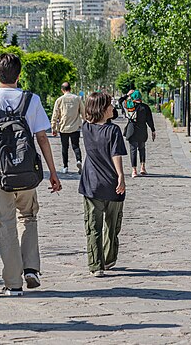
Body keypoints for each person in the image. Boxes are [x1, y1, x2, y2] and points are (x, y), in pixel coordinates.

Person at [0, 53, 62, 296]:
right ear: (19, 74)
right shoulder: (31, 100)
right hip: (27, 173)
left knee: (6, 224)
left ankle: (13, 282)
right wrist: (53, 173)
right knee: (29, 217)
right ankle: (31, 269)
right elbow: (42, 138)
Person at [78, 92, 127, 277]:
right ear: (102, 109)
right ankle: (109, 258)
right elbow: (116, 154)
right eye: (110, 105)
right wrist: (121, 175)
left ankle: (96, 265)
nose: (113, 108)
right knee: (112, 225)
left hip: (91, 184)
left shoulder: (86, 128)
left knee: (93, 226)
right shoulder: (113, 130)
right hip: (112, 184)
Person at [119, 89, 156, 177]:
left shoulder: (128, 105)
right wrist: (153, 130)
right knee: (142, 148)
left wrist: (127, 94)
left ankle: (134, 170)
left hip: (131, 129)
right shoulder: (145, 107)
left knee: (133, 150)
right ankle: (142, 167)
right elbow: (149, 120)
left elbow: (120, 101)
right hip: (142, 129)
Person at [51, 82, 85, 174]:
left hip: (63, 127)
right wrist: (84, 123)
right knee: (76, 146)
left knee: (64, 148)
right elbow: (83, 112)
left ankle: (65, 166)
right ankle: (79, 160)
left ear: (62, 90)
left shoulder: (59, 100)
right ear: (70, 89)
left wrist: (53, 128)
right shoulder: (77, 99)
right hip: (75, 127)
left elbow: (55, 115)